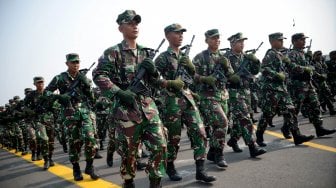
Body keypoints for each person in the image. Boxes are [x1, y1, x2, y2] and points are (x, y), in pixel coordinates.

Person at [92, 10, 167, 188]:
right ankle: (129, 181)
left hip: (148, 108)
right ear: (120, 28)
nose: (135, 26)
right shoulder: (113, 52)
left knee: (160, 146)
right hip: (126, 110)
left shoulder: (146, 52)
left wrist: (154, 72)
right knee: (129, 153)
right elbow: (99, 75)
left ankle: (155, 182)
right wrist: (118, 92)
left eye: (136, 23)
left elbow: (156, 82)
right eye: (130, 23)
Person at [154, 23, 216, 183]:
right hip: (171, 102)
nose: (181, 36)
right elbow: (153, 80)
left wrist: (192, 71)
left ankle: (200, 170)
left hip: (188, 98)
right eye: (177, 33)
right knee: (174, 138)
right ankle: (170, 166)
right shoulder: (162, 58)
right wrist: (168, 83)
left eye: (182, 33)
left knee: (200, 132)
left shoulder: (184, 56)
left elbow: (192, 77)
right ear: (167, 35)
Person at [45, 53, 99, 181]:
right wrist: (59, 97)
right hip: (69, 114)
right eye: (73, 62)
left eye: (77, 62)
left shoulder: (82, 77)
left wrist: (87, 86)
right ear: (67, 64)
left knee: (90, 139)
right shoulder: (60, 78)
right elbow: (46, 92)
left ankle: (89, 166)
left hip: (84, 112)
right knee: (74, 142)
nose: (76, 65)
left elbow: (91, 98)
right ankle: (76, 169)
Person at [255, 32, 315, 146]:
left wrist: (303, 67)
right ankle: (259, 135)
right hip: (271, 89)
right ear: (272, 42)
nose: (282, 42)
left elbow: (290, 66)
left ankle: (297, 135)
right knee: (268, 113)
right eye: (280, 40)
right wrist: (276, 75)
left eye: (282, 40)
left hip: (282, 89)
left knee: (291, 110)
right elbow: (264, 69)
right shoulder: (270, 54)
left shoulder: (281, 54)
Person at [192, 29, 232, 169]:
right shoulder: (199, 57)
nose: (217, 40)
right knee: (222, 122)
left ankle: (212, 151)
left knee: (219, 126)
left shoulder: (224, 57)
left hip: (222, 95)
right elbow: (191, 76)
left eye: (218, 38)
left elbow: (232, 77)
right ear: (207, 40)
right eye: (213, 38)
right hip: (207, 96)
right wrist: (204, 79)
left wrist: (227, 66)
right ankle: (219, 155)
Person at [224, 32, 266, 157]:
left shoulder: (246, 57)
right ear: (232, 43)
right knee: (245, 119)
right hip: (233, 92)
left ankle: (232, 140)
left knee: (238, 121)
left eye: (243, 42)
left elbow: (254, 71)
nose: (242, 44)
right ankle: (253, 147)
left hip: (246, 91)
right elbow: (221, 76)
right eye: (239, 42)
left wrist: (256, 61)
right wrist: (231, 78)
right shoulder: (226, 58)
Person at [288, 33, 336, 137]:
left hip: (308, 84)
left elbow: (310, 67)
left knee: (315, 104)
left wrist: (314, 73)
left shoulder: (303, 53)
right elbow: (291, 67)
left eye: (304, 39)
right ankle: (295, 134)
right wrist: (304, 69)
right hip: (298, 85)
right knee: (295, 110)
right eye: (301, 40)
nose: (304, 41)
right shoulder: (291, 54)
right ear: (295, 41)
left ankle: (319, 128)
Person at [311, 51, 336, 115]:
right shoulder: (312, 63)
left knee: (328, 95)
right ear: (315, 56)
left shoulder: (322, 62)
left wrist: (325, 75)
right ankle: (318, 110)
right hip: (316, 82)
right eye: (318, 55)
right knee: (318, 98)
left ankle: (332, 110)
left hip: (323, 82)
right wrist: (320, 75)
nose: (320, 56)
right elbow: (313, 72)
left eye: (320, 55)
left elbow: (326, 70)